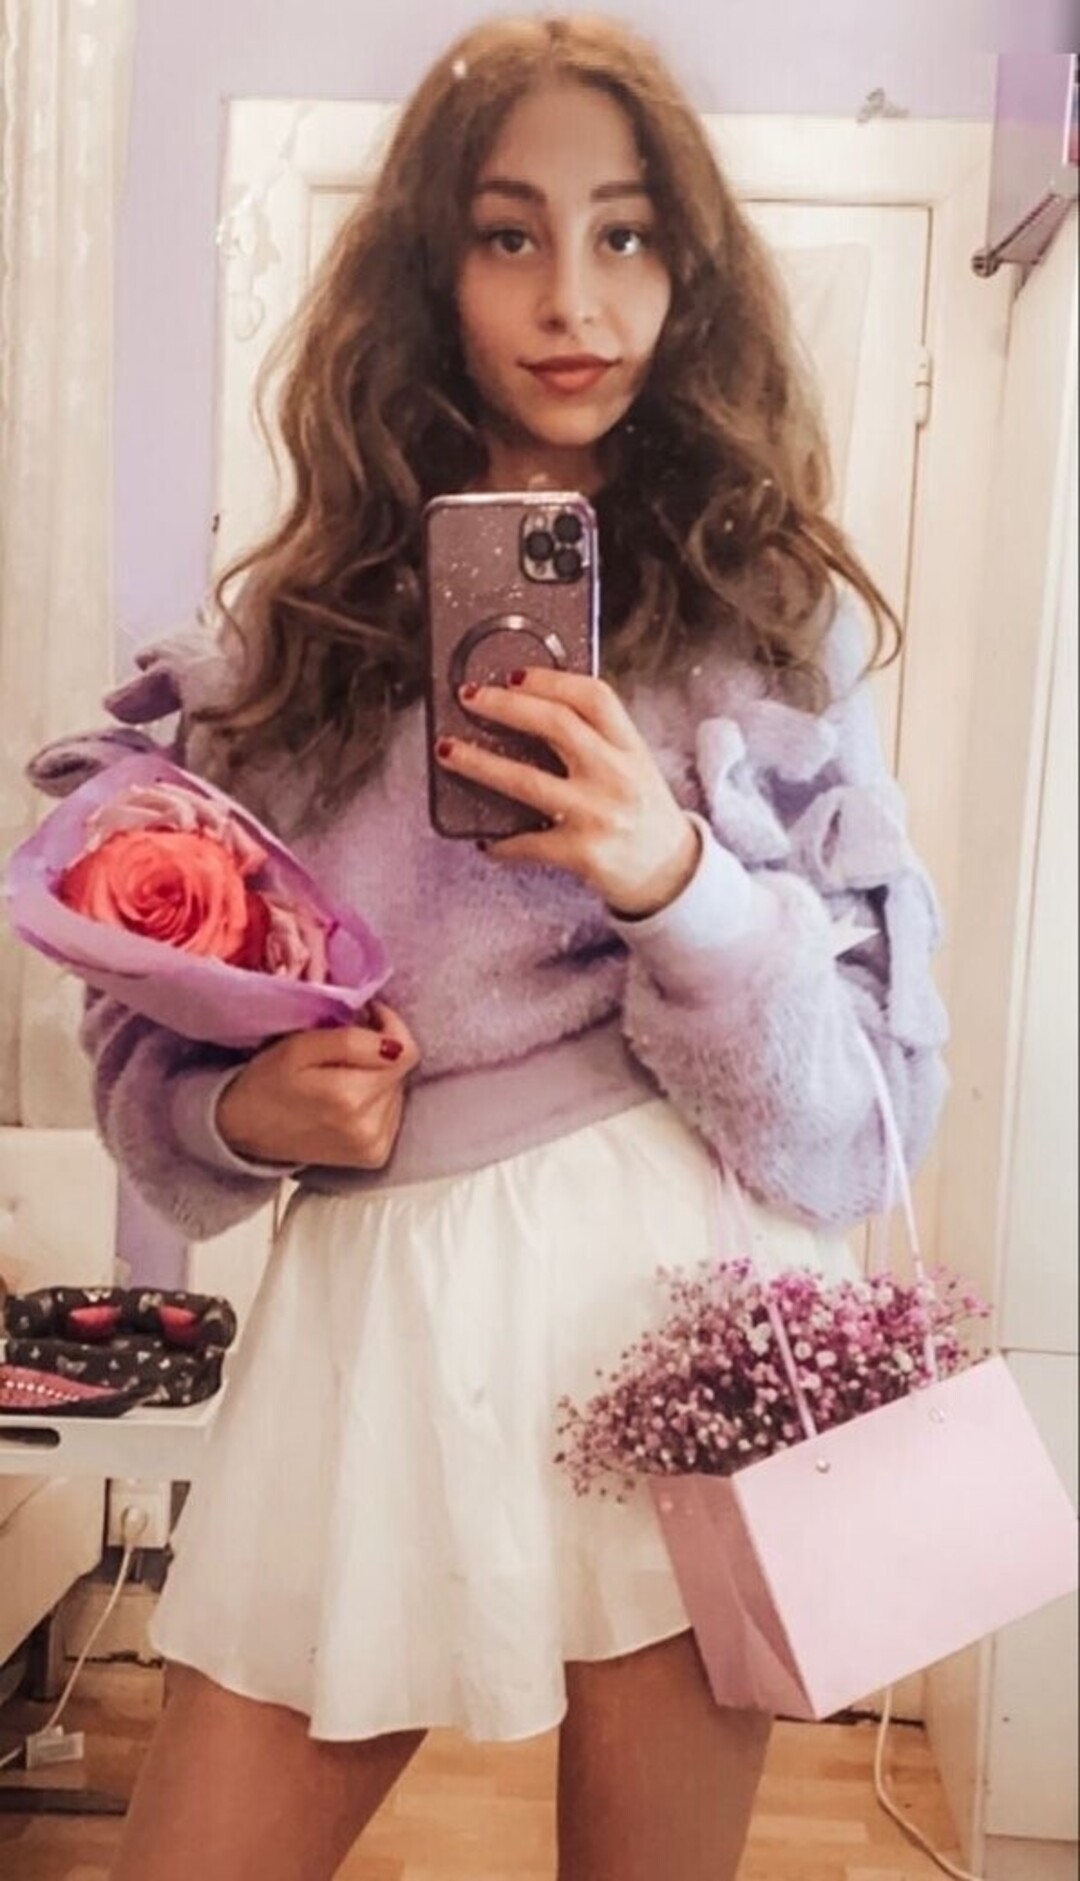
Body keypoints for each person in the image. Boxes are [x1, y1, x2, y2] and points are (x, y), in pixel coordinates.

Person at [83, 16, 948, 1881]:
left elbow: (859, 1125)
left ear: (689, 271)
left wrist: (679, 882)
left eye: (627, 233)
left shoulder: (760, 628)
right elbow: (149, 1059)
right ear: (430, 268)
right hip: (373, 1316)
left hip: (667, 1302)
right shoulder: (289, 649)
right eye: (509, 233)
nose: (575, 296)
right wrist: (244, 1112)